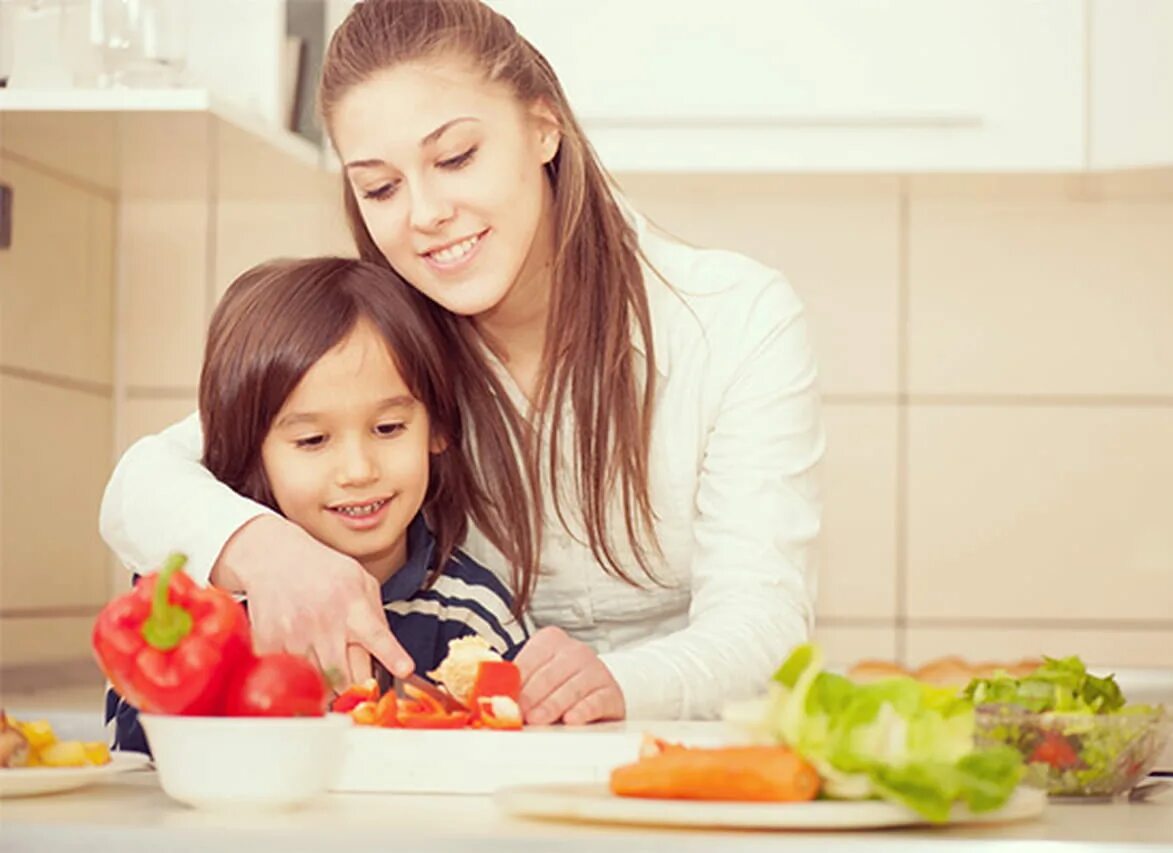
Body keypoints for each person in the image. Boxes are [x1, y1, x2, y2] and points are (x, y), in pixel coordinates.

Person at [100, 0, 823, 726]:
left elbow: (763, 627)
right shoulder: (383, 342)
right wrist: (263, 549)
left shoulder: (735, 317)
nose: (424, 213)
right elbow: (141, 484)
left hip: (680, 756)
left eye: (455, 158)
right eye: (381, 187)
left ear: (545, 127)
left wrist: (618, 681)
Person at [107, 257, 528, 752]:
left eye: (389, 429)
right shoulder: (196, 612)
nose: (358, 470)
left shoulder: (472, 611)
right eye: (312, 440)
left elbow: (510, 754)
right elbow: (142, 770)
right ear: (253, 451)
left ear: (437, 427)